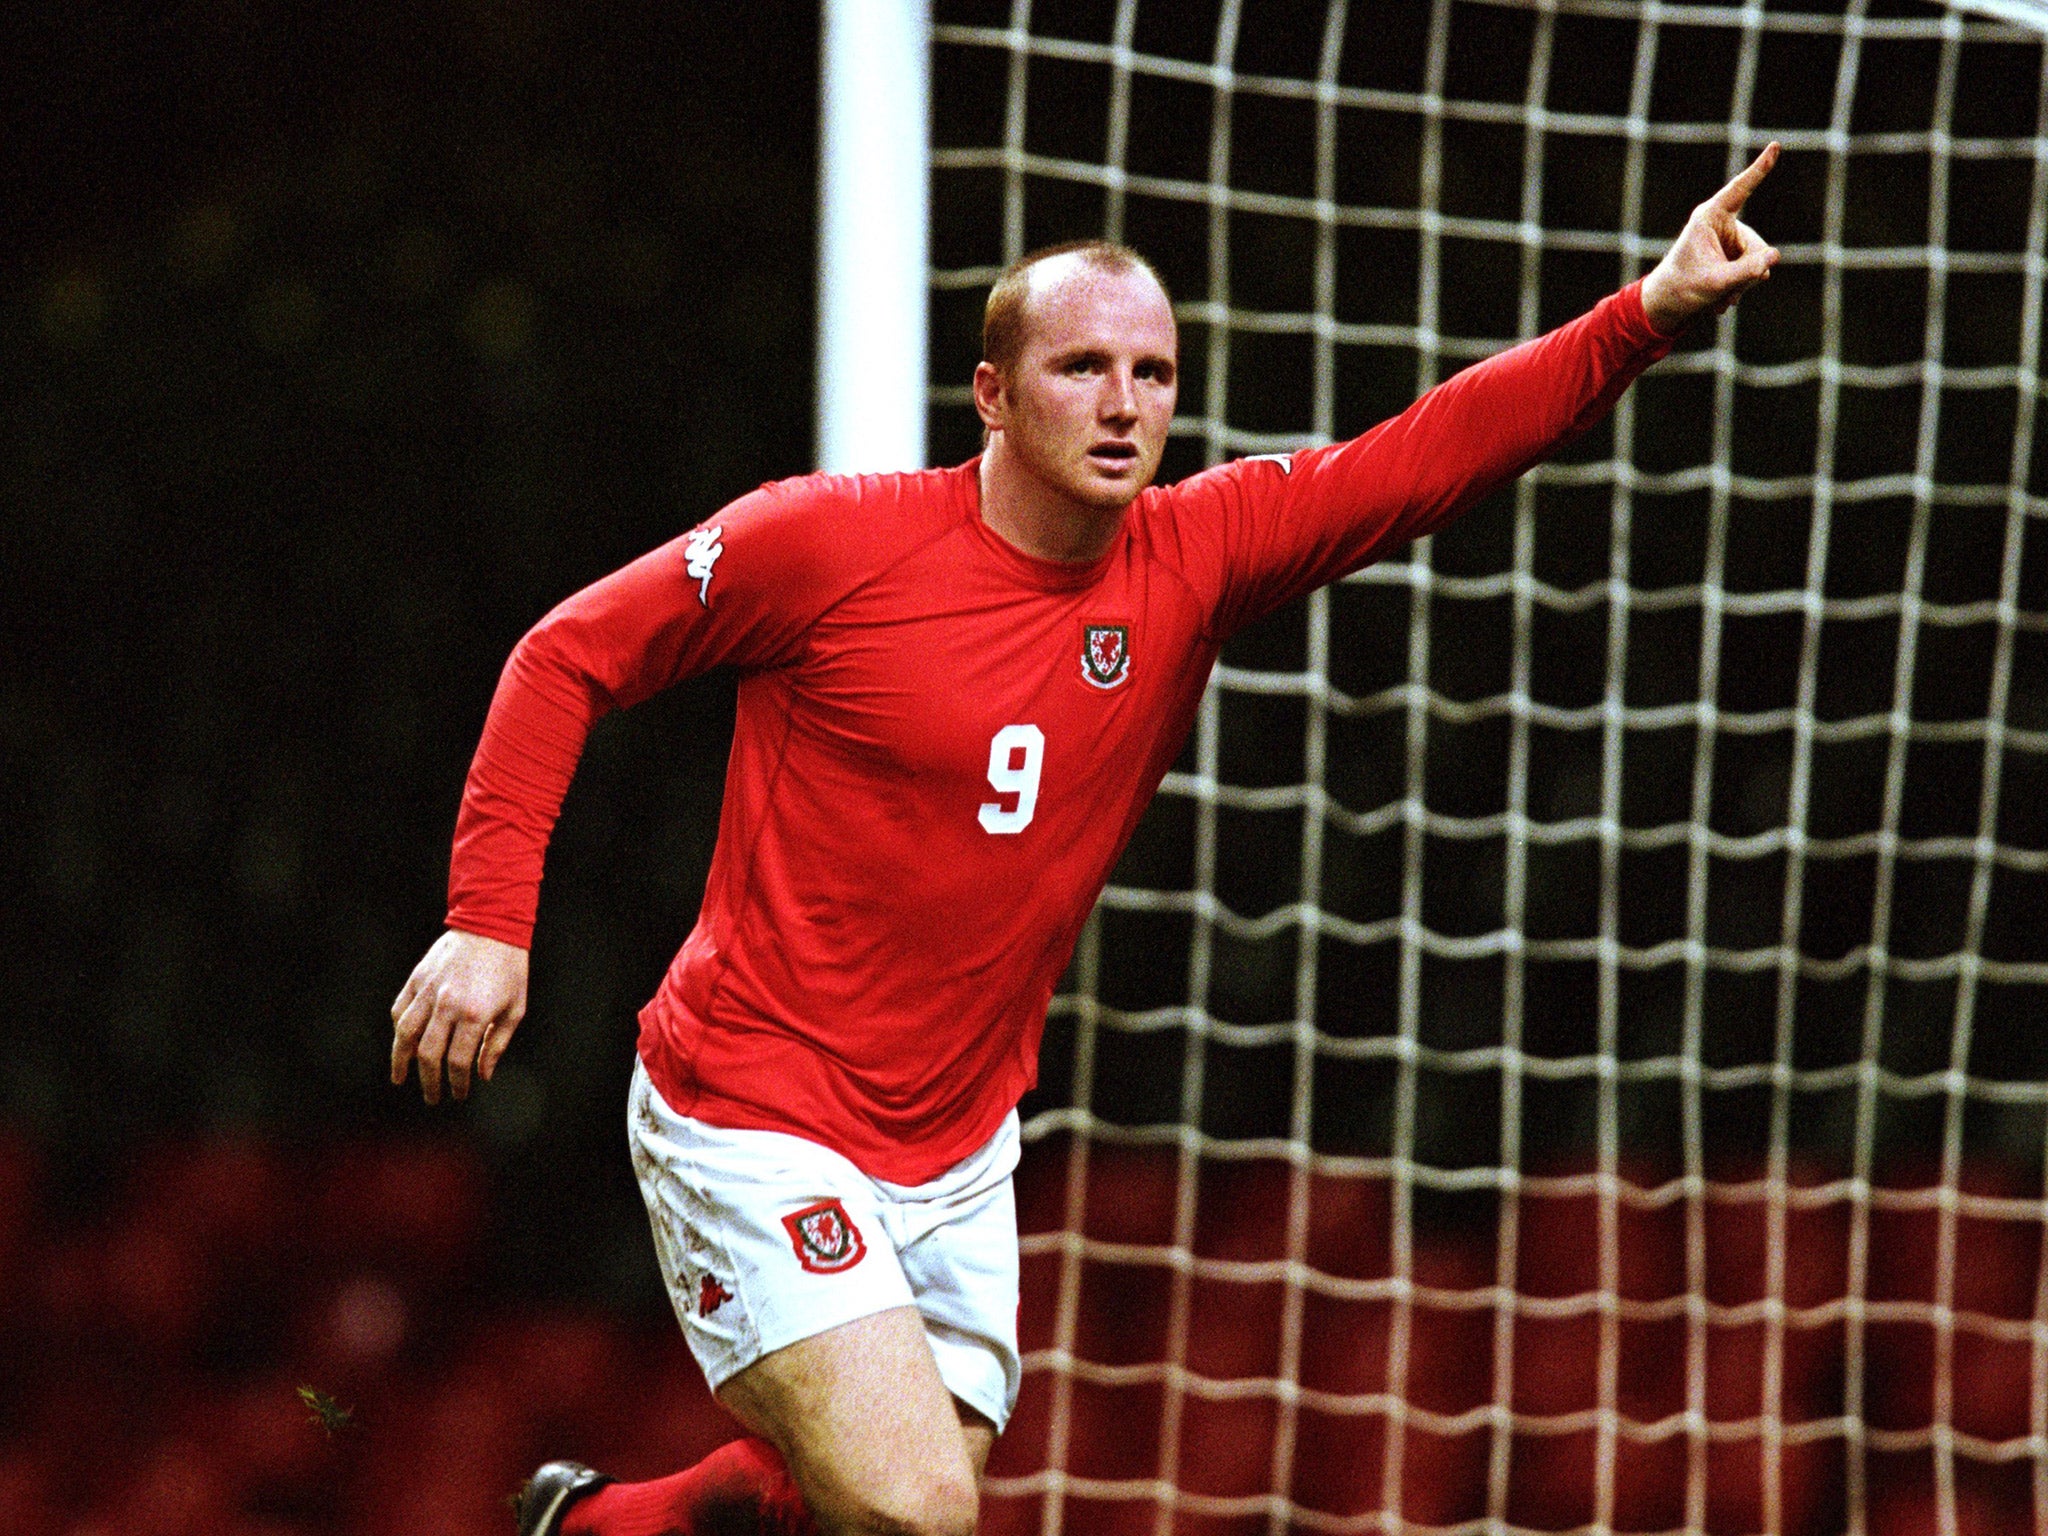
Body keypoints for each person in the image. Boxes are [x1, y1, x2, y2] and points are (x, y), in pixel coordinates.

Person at [390, 146, 1782, 1536]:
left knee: (834, 1504)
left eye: (1154, 375)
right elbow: (567, 654)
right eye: (1081, 370)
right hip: (758, 1111)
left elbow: (1421, 458)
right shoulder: (825, 545)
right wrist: (486, 920)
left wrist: (1645, 311)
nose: (1124, 408)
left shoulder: (1198, 555)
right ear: (990, 392)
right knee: (922, 1515)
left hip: (959, 1143)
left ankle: (581, 1529)